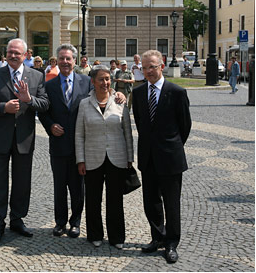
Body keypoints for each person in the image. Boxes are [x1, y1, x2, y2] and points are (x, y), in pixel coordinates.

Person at [0, 38, 49, 245]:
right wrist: (3, 108)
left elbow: (44, 104)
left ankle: (17, 219)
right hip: (0, 137)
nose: (12, 55)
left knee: (22, 181)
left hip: (24, 138)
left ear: (26, 55)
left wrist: (29, 100)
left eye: (17, 53)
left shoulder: (37, 76)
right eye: (10, 52)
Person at [133, 50, 191, 264]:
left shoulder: (177, 92)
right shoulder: (138, 93)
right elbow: (140, 122)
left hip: (170, 157)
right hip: (148, 156)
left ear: (162, 65)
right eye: (145, 67)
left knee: (171, 203)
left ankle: (171, 242)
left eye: (153, 66)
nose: (148, 71)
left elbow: (185, 125)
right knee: (151, 201)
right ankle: (157, 237)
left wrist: (171, 146)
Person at [75, 65, 133, 249]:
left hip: (117, 156)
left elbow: (127, 132)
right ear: (93, 82)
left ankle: (117, 237)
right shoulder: (84, 104)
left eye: (108, 78)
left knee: (115, 199)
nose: (105, 83)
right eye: (101, 79)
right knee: (93, 198)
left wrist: (130, 158)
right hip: (92, 156)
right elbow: (79, 134)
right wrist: (80, 159)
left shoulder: (119, 101)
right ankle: (94, 234)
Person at [38, 44, 92, 238]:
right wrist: (50, 125)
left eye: (68, 58)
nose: (65, 62)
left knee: (78, 187)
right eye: (61, 58)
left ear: (74, 61)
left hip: (80, 145)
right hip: (58, 144)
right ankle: (60, 222)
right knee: (59, 186)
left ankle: (75, 222)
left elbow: (100, 100)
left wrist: (118, 95)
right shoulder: (48, 85)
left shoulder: (86, 82)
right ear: (57, 61)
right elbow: (42, 111)